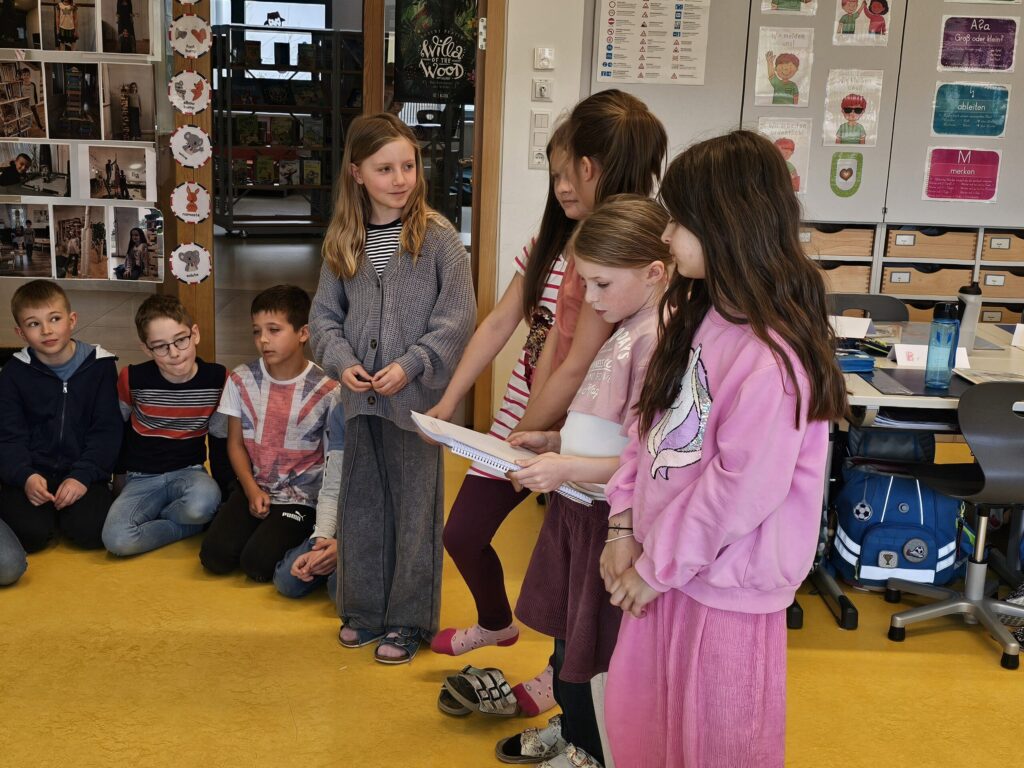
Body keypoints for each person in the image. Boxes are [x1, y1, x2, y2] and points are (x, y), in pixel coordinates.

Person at [599, 131, 848, 767]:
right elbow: (646, 433)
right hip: (666, 574)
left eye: (678, 220)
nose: (666, 235)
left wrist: (654, 569)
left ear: (726, 224)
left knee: (715, 748)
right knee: (645, 738)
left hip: (720, 596)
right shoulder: (699, 316)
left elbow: (739, 489)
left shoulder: (773, 359)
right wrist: (622, 526)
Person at [431, 89, 667, 716]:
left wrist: (519, 444)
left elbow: (575, 367)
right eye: (556, 172)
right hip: (533, 427)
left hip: (577, 441)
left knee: (578, 572)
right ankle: (507, 632)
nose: (562, 185)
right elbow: (499, 322)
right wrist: (452, 403)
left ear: (596, 167)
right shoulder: (555, 241)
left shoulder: (619, 259)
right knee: (479, 538)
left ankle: (557, 680)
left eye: (572, 171)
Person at [495, 196, 670, 768]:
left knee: (592, 646)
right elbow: (605, 425)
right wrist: (555, 444)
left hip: (606, 515)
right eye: (584, 283)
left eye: (601, 284)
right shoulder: (627, 326)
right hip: (577, 504)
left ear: (654, 273)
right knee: (568, 636)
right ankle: (572, 728)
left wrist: (567, 467)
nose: (590, 299)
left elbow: (647, 461)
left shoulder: (658, 339)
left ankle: (590, 749)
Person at [309, 112, 475, 664]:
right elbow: (324, 318)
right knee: (361, 506)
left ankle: (408, 620)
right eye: (385, 169)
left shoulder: (438, 237)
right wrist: (342, 362)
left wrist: (412, 364)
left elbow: (457, 318)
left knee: (414, 512)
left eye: (409, 165)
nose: (401, 178)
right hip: (360, 403)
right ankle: (363, 610)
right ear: (357, 173)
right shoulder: (344, 241)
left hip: (415, 406)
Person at [199, 285, 338, 582]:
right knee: (214, 557)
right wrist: (250, 489)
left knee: (257, 565)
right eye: (257, 331)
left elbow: (332, 460)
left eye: (274, 330)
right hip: (255, 487)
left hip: (301, 499)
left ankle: (312, 544)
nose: (263, 339)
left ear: (303, 333)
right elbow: (235, 444)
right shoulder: (240, 379)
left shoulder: (327, 390)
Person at [0, 280, 122, 555]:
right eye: (34, 324)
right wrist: (25, 476)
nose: (46, 330)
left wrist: (83, 475)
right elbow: (8, 436)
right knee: (28, 536)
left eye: (54, 319)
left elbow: (106, 431)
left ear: (72, 320)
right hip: (31, 473)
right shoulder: (13, 374)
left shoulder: (100, 367)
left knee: (93, 532)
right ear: (20, 333)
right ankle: (42, 515)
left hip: (82, 471)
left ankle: (67, 511)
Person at [101, 296, 227, 557]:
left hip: (190, 473)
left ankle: (181, 517)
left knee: (203, 506)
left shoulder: (218, 379)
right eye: (160, 346)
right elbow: (117, 430)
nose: (174, 353)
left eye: (181, 340)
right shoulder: (132, 378)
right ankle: (186, 527)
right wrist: (118, 475)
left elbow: (219, 437)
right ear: (147, 349)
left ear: (195, 334)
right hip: (141, 477)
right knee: (117, 540)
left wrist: (223, 491)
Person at [272, 394, 344, 600]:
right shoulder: (341, 406)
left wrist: (345, 548)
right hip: (346, 517)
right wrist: (322, 540)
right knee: (287, 581)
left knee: (341, 594)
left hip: (380, 531)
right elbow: (332, 488)